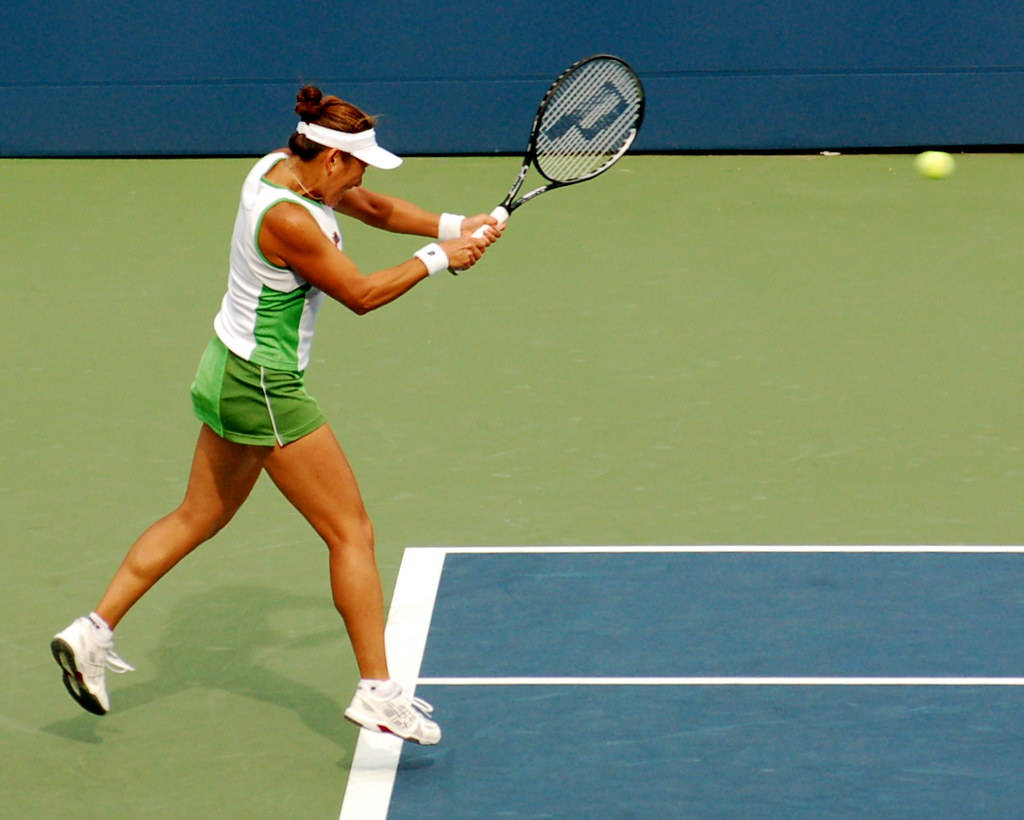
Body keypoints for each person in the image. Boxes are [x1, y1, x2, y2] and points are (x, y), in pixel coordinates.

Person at [50, 85, 503, 745]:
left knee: (198, 515)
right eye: (358, 164)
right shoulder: (292, 221)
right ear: (331, 159)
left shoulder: (279, 167)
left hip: (227, 370)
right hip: (265, 385)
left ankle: (91, 633)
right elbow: (361, 294)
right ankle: (378, 694)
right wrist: (439, 259)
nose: (363, 176)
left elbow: (371, 205)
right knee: (351, 532)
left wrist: (454, 225)